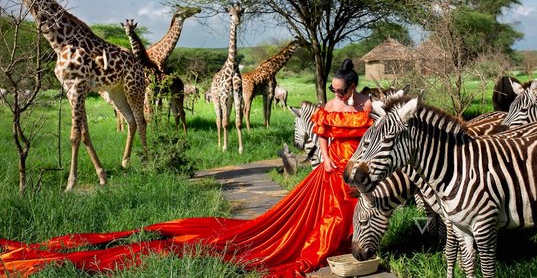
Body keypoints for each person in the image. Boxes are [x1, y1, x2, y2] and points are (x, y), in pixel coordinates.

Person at [0, 59, 373, 278]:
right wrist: (323, 157)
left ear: (354, 86)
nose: (337, 95)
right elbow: (321, 134)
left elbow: (377, 141)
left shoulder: (368, 107)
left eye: (342, 91)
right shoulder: (331, 107)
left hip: (357, 170)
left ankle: (349, 245)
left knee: (353, 214)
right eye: (334, 90)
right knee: (316, 227)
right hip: (330, 170)